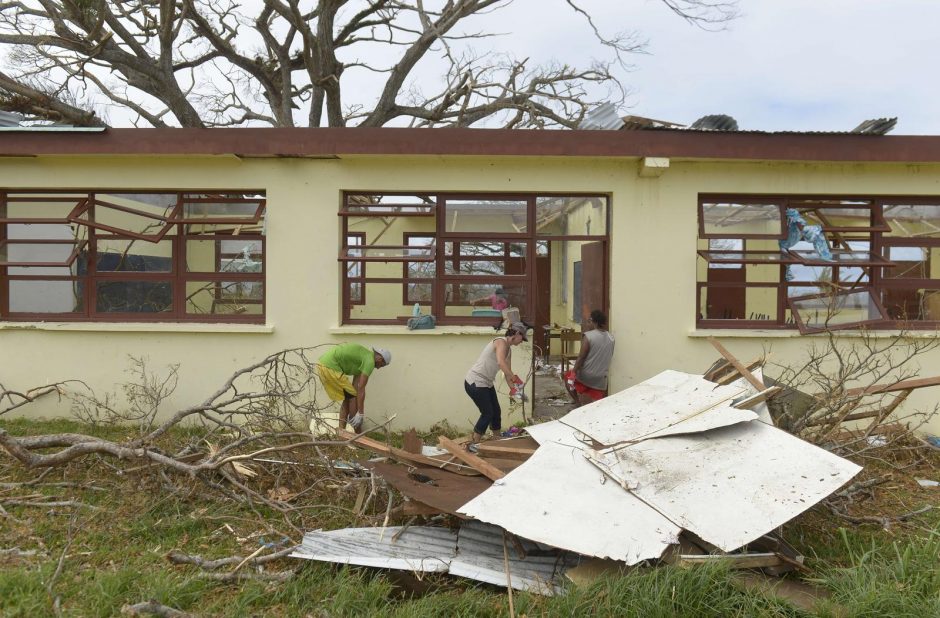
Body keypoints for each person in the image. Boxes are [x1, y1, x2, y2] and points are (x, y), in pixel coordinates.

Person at [464, 322, 528, 452]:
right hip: (475, 382)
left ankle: (497, 440)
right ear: (516, 334)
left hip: (486, 383)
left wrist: (514, 389)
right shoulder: (500, 342)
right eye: (523, 338)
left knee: (496, 412)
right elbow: (500, 362)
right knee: (487, 413)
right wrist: (515, 379)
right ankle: (474, 444)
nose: (522, 341)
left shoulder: (508, 350)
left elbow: (506, 371)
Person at [317, 343, 391, 433]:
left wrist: (357, 411)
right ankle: (357, 434)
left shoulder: (363, 358)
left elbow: (356, 388)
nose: (379, 368)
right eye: (381, 365)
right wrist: (360, 413)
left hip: (323, 364)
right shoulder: (370, 362)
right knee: (351, 397)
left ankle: (342, 432)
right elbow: (361, 389)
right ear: (380, 358)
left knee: (349, 396)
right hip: (329, 366)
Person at [565, 309, 615, 407]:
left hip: (586, 375)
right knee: (596, 405)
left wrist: (573, 372)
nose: (588, 324)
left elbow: (581, 357)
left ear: (594, 322)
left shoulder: (588, 336)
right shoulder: (611, 338)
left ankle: (578, 403)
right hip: (601, 378)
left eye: (589, 321)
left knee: (567, 377)